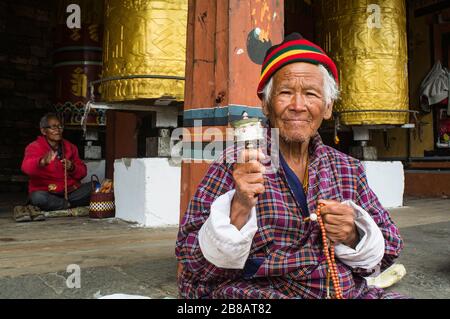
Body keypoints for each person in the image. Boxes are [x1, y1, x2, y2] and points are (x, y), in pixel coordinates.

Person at [175, 33, 406, 299]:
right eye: (285, 93)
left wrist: (353, 234)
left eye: (310, 94)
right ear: (266, 104)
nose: (298, 106)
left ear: (328, 107)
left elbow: (389, 248)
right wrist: (238, 209)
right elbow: (190, 260)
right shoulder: (236, 161)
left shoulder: (347, 168)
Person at [18, 113, 91, 220]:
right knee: (37, 198)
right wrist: (41, 162)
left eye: (60, 126)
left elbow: (83, 172)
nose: (58, 130)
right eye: (53, 127)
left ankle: (63, 205)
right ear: (43, 131)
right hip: (47, 193)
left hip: (70, 193)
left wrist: (72, 167)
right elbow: (26, 167)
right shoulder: (34, 147)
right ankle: (67, 205)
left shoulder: (70, 147)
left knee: (95, 186)